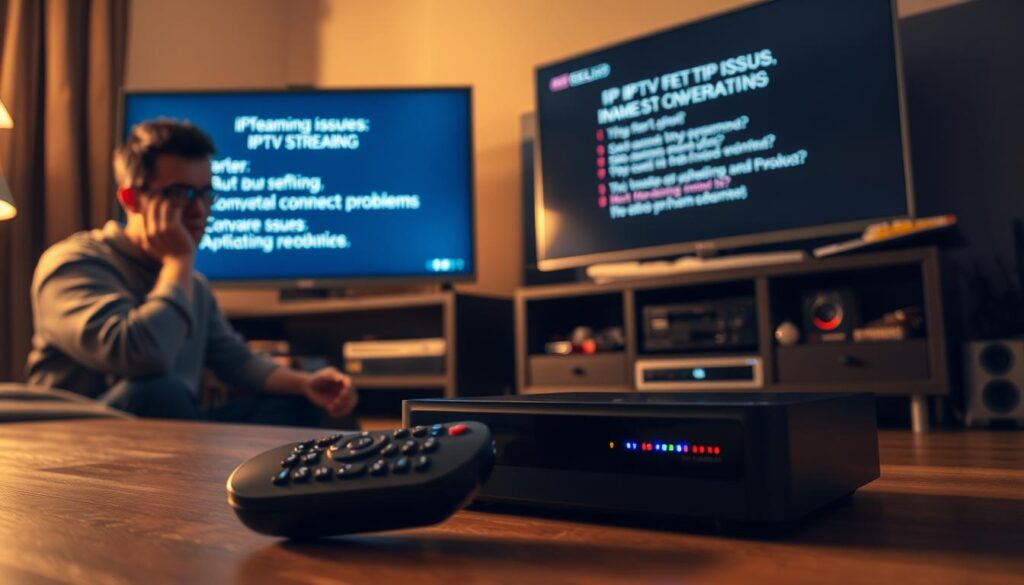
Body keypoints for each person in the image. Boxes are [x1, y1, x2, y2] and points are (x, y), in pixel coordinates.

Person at [24, 119, 358, 424]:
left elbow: (237, 362)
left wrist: (307, 384)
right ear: (131, 199)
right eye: (179, 193)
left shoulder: (191, 286)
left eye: (205, 193)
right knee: (158, 391)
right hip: (77, 437)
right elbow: (143, 356)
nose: (198, 210)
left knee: (307, 407)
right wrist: (178, 260)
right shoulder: (73, 263)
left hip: (174, 430)